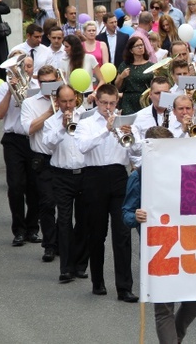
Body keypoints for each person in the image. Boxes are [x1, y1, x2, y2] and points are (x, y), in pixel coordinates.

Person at [122, 125, 196, 343]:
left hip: (188, 245)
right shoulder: (139, 177)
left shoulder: (185, 171)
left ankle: (176, 337)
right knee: (164, 307)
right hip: (159, 249)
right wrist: (135, 216)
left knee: (195, 299)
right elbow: (127, 213)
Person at [74, 83, 139, 302]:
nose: (108, 107)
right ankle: (98, 281)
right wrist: (106, 130)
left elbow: (136, 151)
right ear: (96, 101)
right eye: (104, 103)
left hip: (119, 177)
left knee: (122, 235)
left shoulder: (126, 122)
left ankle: (124, 287)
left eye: (112, 103)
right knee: (97, 233)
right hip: (94, 177)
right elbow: (82, 147)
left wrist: (132, 137)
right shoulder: (87, 123)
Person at [42, 83, 90, 283]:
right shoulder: (52, 122)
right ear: (57, 102)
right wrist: (62, 127)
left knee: (84, 222)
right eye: (64, 101)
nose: (68, 105)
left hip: (85, 173)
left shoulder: (86, 118)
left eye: (71, 100)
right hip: (61, 175)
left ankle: (80, 265)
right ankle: (66, 268)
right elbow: (47, 144)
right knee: (63, 220)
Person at [0, 53, 40, 246]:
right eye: (22, 66)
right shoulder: (5, 87)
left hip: (34, 139)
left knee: (35, 187)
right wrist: (10, 92)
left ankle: (32, 229)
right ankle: (19, 230)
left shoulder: (38, 88)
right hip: (13, 140)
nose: (26, 70)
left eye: (29, 66)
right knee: (15, 186)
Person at [20, 65, 60, 262]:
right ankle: (50, 244)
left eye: (52, 82)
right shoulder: (30, 103)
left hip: (63, 159)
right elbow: (29, 128)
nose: (48, 86)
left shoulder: (68, 98)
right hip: (42, 159)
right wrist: (50, 112)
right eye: (44, 83)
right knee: (47, 203)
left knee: (66, 204)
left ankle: (62, 242)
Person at [116, 35, 154, 115]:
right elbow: (117, 85)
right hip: (128, 101)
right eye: (137, 46)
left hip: (145, 100)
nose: (140, 48)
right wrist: (121, 77)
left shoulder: (151, 66)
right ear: (131, 50)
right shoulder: (124, 65)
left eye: (141, 45)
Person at [60, 34, 105, 101]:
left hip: (88, 97)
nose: (64, 49)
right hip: (71, 98)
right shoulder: (63, 61)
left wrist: (94, 93)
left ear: (74, 47)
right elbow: (62, 82)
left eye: (67, 47)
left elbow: (102, 80)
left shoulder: (90, 58)